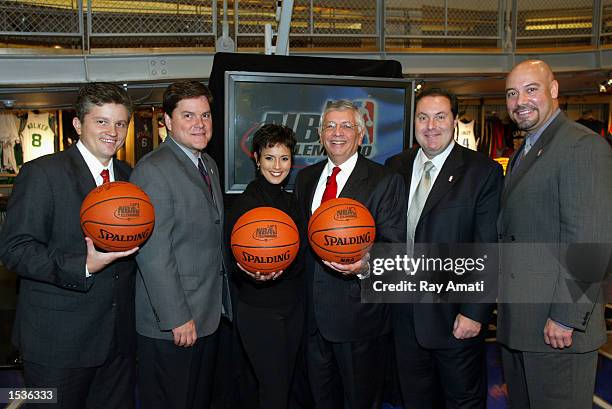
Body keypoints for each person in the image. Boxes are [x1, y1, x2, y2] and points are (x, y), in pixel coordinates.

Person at [0, 83, 137, 408]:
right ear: (78, 125)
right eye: (101, 121)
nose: (112, 131)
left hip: (118, 341)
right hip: (57, 343)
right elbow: (14, 249)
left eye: (120, 123)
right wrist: (82, 266)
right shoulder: (42, 173)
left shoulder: (130, 178)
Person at [498, 59, 612, 409]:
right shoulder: (528, 149)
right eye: (512, 94)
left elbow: (590, 239)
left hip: (558, 330)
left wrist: (565, 314)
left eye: (531, 90)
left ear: (554, 90)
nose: (521, 102)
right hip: (523, 325)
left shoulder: (581, 147)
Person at [386, 88, 503, 409]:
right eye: (423, 117)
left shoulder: (482, 172)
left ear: (454, 121)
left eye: (440, 117)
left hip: (455, 316)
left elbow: (487, 246)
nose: (430, 126)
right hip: (403, 315)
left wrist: (475, 311)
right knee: (415, 400)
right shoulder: (395, 165)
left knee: (462, 401)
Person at [294, 99, 406, 409]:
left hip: (359, 319)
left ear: (361, 134)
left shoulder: (384, 181)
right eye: (330, 125)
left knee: (360, 401)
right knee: (320, 400)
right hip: (312, 319)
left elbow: (394, 247)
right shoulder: (305, 179)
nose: (337, 132)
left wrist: (364, 265)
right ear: (320, 134)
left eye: (347, 125)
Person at [130, 80, 230, 409]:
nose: (199, 124)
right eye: (188, 116)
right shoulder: (154, 170)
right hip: (174, 324)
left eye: (205, 115)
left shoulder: (208, 165)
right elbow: (154, 253)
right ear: (168, 122)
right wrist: (176, 316)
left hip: (206, 315)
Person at [227, 123, 304, 409]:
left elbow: (302, 256)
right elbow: (229, 261)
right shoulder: (244, 206)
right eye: (270, 157)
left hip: (294, 306)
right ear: (257, 159)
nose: (277, 166)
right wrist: (249, 272)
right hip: (259, 311)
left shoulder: (292, 202)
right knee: (273, 389)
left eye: (284, 158)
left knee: (287, 384)